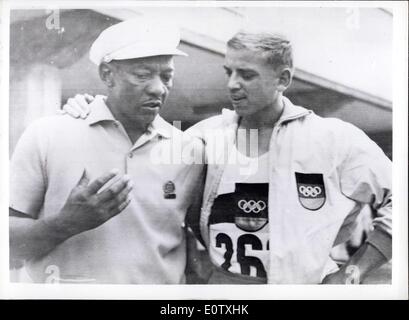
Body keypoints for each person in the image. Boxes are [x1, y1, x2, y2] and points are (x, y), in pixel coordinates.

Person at [63, 31, 392, 284]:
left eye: (246, 75)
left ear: (284, 80)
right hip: (225, 290)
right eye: (228, 72)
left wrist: (353, 271)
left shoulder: (334, 139)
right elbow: (144, 156)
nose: (233, 85)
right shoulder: (206, 136)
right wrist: (90, 107)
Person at [9, 19, 204, 284]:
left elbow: (195, 237)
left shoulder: (190, 150)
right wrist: (66, 223)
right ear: (107, 75)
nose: (159, 88)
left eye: (166, 76)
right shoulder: (47, 134)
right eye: (143, 74)